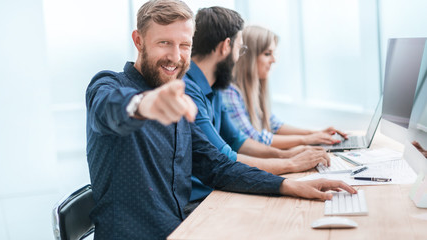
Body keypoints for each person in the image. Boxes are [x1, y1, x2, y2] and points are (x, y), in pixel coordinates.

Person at [86, 1, 356, 239]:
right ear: (138, 41)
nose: (176, 56)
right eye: (164, 43)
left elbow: (218, 167)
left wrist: (290, 185)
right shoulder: (109, 86)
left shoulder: (179, 101)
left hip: (182, 228)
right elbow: (108, 110)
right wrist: (145, 104)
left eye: (184, 45)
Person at [183, 7, 330, 203]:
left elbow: (238, 140)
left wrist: (285, 154)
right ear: (226, 46)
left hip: (216, 190)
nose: (239, 58)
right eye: (240, 49)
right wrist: (290, 163)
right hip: (198, 201)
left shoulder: (214, 86)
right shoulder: (187, 90)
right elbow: (225, 157)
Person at [222, 25, 348, 150]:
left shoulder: (253, 90)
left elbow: (275, 125)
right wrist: (306, 140)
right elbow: (253, 139)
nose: (274, 60)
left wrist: (314, 134)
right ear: (248, 58)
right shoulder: (230, 93)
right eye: (267, 54)